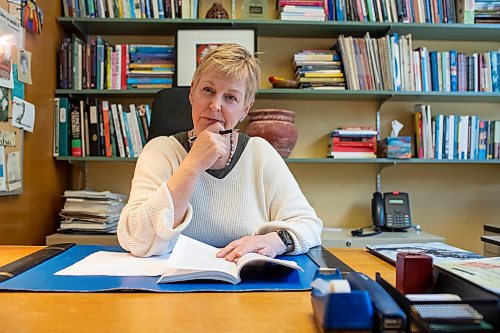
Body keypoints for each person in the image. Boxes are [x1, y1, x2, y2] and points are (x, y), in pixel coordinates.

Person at [118, 43, 322, 261]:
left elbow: (308, 224)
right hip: (172, 287)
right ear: (192, 93)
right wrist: (192, 165)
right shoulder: (160, 151)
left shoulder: (260, 154)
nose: (215, 105)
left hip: (246, 286)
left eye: (231, 97)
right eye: (208, 90)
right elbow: (134, 238)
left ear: (245, 109)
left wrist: (273, 241)